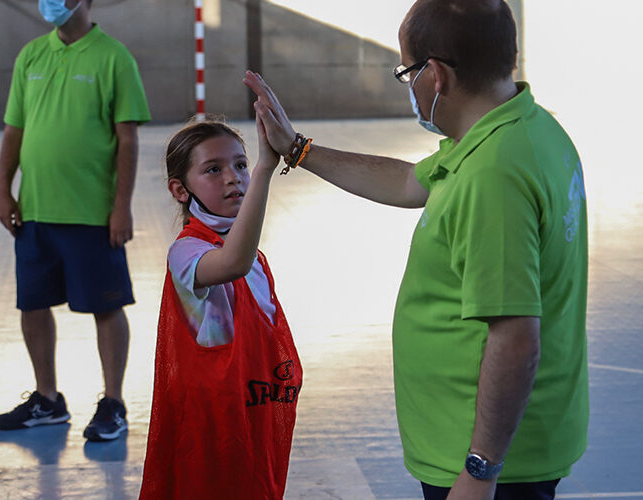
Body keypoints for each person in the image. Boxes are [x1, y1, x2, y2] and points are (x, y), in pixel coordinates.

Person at [244, 0, 588, 498]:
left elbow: (515, 339)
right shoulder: (523, 131)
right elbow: (409, 181)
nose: (411, 86)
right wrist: (297, 148)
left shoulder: (495, 175)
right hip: (504, 446)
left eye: (408, 72)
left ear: (437, 76)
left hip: (491, 462)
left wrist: (479, 470)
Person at [0, 0, 150, 442]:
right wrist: (4, 188)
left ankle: (113, 402)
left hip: (91, 214)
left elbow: (127, 139)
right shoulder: (30, 56)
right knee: (33, 305)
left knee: (105, 304)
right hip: (36, 209)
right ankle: (47, 399)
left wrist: (122, 206)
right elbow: (13, 131)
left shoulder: (114, 57)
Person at [138, 116, 300, 499]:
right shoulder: (187, 251)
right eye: (213, 169)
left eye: (241, 164)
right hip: (211, 425)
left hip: (253, 413)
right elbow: (232, 264)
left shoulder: (257, 259)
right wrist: (264, 168)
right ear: (179, 190)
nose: (233, 177)